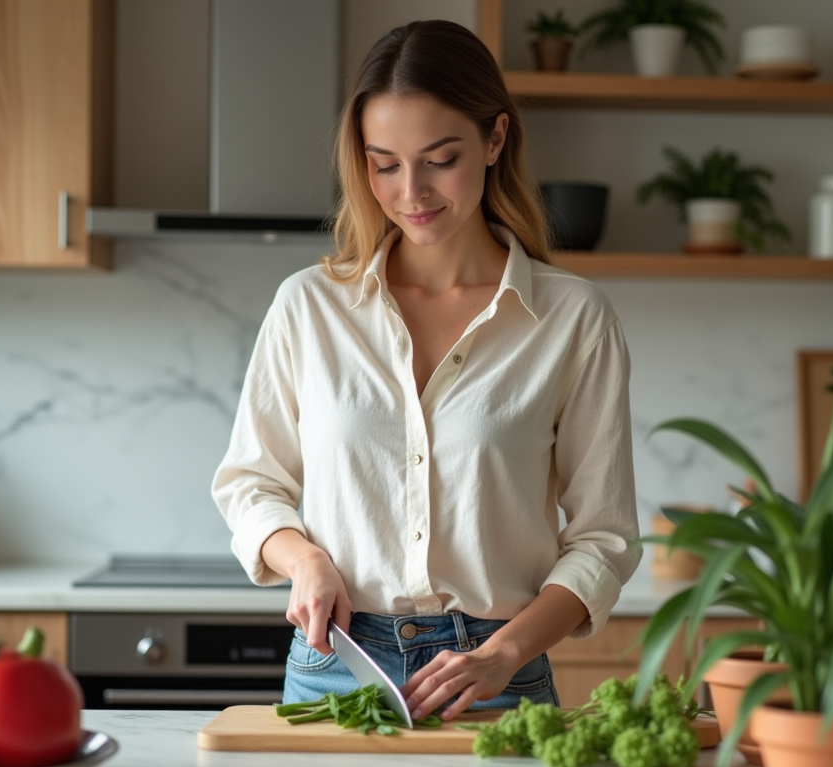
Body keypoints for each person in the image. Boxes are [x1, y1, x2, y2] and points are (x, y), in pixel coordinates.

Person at [211, 19, 639, 722]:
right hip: (336, 666)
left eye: (440, 159)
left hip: (500, 679)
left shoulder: (573, 319)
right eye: (384, 163)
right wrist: (305, 562)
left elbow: (604, 538)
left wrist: (506, 651)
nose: (411, 191)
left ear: (496, 139)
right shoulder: (309, 307)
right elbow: (251, 483)